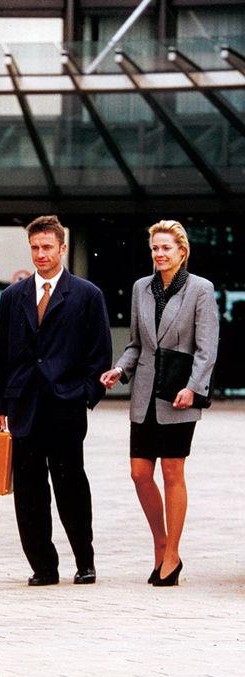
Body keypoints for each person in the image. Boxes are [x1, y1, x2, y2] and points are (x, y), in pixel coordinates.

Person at [0, 215, 112, 586]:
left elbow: (100, 354)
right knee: (29, 491)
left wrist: (85, 395)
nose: (40, 254)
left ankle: (85, 561)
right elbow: (0, 355)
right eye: (35, 247)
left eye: (47, 247)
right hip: (23, 406)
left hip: (66, 406)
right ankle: (43, 567)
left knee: (70, 485)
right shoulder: (13, 296)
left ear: (62, 248)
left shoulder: (88, 295)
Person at [100, 220, 218, 587]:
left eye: (166, 247)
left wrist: (194, 388)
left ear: (182, 251)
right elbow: (137, 344)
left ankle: (172, 555)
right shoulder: (141, 288)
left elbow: (207, 348)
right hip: (144, 394)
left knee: (171, 472)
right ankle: (161, 543)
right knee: (139, 473)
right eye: (155, 248)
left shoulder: (201, 289)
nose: (160, 254)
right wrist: (120, 369)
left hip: (179, 395)